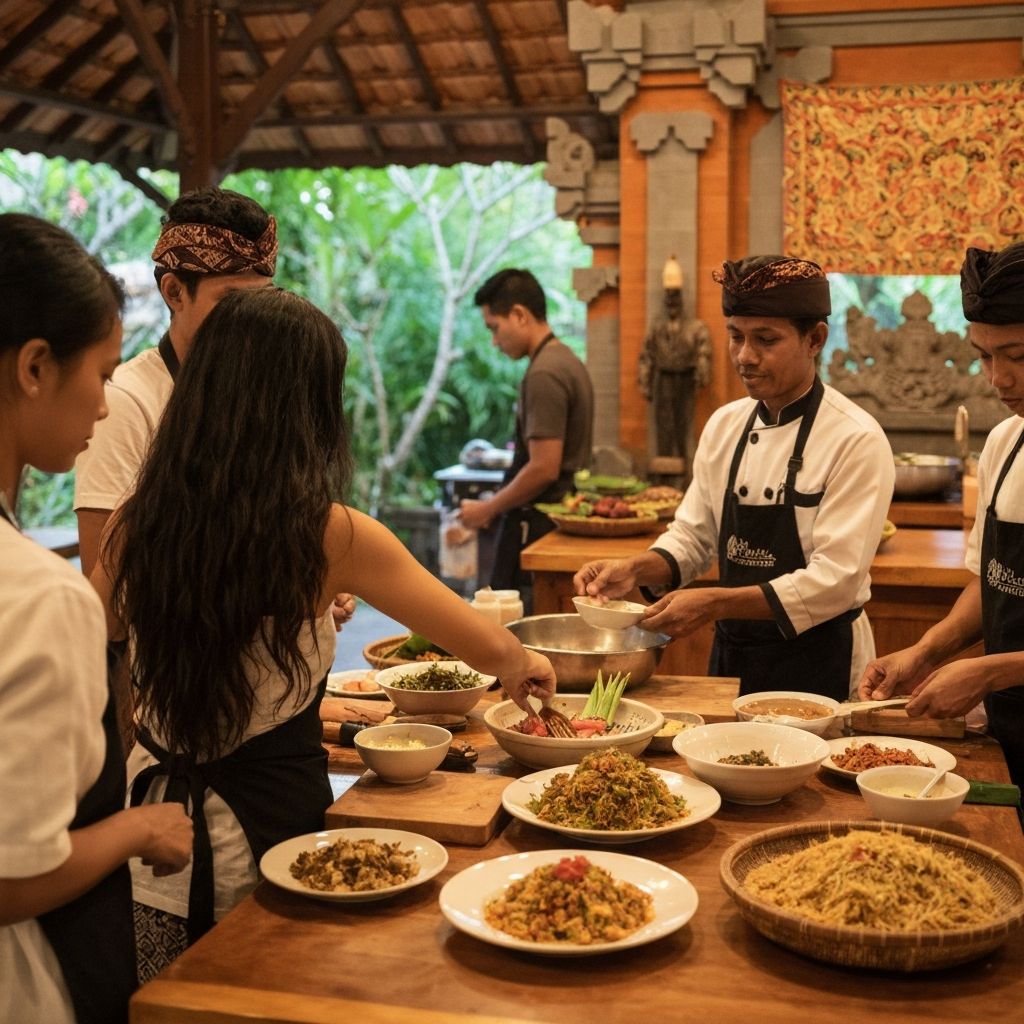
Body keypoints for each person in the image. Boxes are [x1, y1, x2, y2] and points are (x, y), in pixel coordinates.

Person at [90, 287, 557, 980]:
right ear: (304, 408)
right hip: (269, 846)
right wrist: (524, 664)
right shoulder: (327, 533)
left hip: (151, 840)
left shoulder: (133, 522)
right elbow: (484, 644)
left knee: (168, 1005)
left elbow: (92, 659)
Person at [0, 213, 192, 1024]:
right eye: (102, 374)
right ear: (35, 367)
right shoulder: (40, 596)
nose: (107, 408)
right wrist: (139, 829)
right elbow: (11, 877)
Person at [575, 255, 894, 701]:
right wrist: (634, 569)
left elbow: (835, 581)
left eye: (766, 339)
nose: (745, 356)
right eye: (736, 336)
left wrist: (716, 602)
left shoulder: (855, 438)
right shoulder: (725, 425)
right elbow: (693, 536)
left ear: (815, 339)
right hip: (733, 656)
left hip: (821, 659)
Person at [859, 241, 1024, 791]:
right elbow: (994, 584)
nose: (998, 379)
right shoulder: (1005, 444)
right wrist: (925, 652)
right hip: (1009, 728)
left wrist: (991, 670)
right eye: (985, 356)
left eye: (1018, 356)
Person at [459, 268, 594, 596]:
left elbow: (544, 468)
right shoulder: (566, 360)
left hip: (537, 527)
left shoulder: (544, 373)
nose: (494, 341)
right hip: (553, 521)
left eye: (494, 327)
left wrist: (487, 508)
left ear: (519, 315)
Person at [639, 274, 711, 486]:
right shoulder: (656, 327)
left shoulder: (695, 328)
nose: (672, 303)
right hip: (663, 380)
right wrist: (645, 382)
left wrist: (701, 375)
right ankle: (663, 481)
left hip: (685, 380)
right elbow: (646, 355)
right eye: (668, 299)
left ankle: (687, 479)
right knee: (663, 429)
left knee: (683, 429)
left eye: (675, 299)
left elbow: (704, 353)